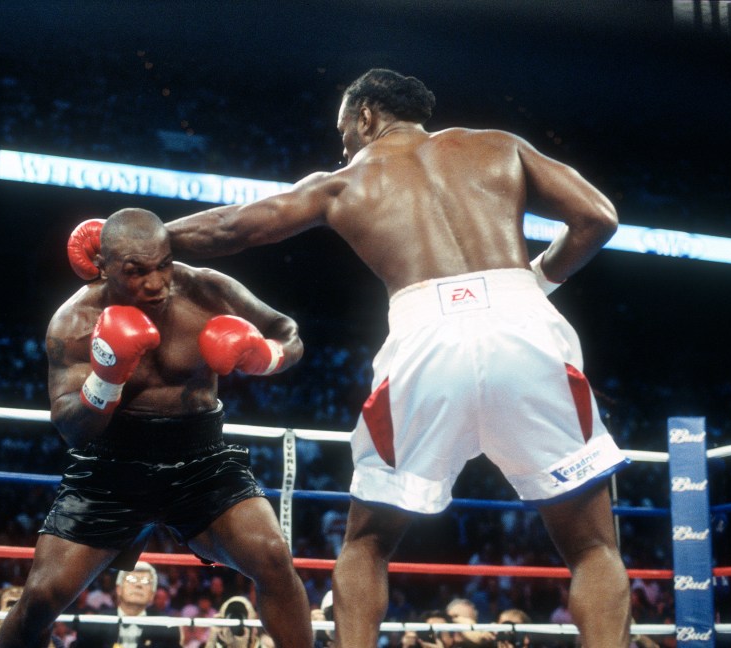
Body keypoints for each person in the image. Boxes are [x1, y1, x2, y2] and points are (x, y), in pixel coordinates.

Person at [164, 68, 631, 648]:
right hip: (525, 326)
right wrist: (536, 279)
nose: (342, 146)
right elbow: (598, 217)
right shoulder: (499, 146)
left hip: (424, 337)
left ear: (365, 116)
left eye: (343, 130)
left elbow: (232, 227)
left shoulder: (342, 183)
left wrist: (139, 238)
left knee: (367, 543)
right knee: (592, 546)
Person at [0, 209, 312, 648]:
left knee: (274, 558)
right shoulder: (74, 322)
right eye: (136, 271)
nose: (156, 282)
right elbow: (72, 429)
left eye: (163, 264)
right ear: (102, 266)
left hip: (202, 463)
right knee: (40, 599)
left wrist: (267, 356)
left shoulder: (206, 289)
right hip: (112, 469)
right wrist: (106, 379)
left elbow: (288, 331)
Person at [73, 562, 181, 648]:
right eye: (131, 579)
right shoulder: (95, 625)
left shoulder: (166, 628)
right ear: (118, 589)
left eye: (146, 581)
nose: (138, 585)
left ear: (152, 595)